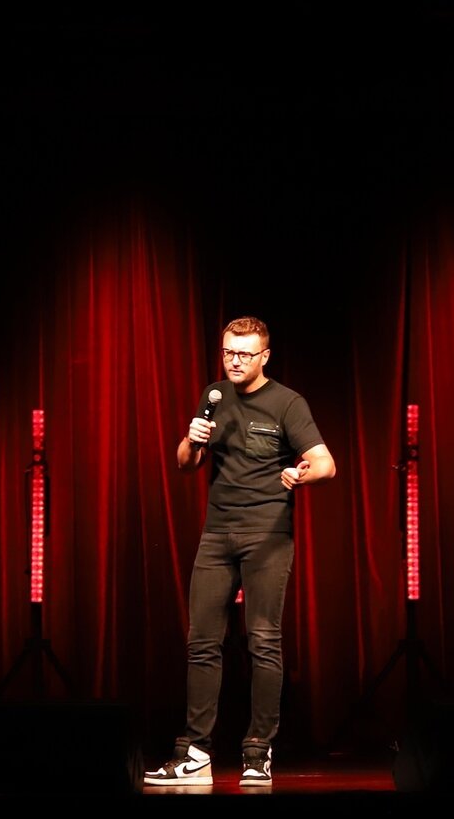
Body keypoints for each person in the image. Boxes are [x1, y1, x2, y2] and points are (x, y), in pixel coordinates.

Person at [144, 316, 336, 787]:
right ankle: (195, 754)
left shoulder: (287, 403)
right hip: (217, 534)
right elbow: (185, 465)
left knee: (263, 641)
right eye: (229, 352)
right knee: (201, 643)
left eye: (245, 354)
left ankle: (257, 751)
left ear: (264, 357)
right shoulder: (214, 395)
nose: (234, 361)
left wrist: (302, 474)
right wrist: (191, 439)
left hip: (267, 535)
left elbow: (325, 464)